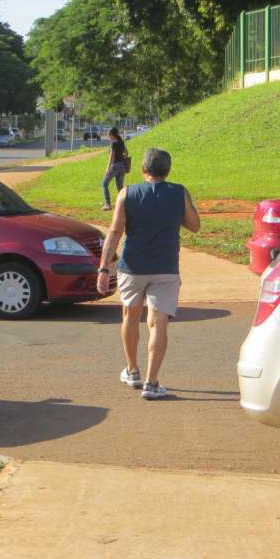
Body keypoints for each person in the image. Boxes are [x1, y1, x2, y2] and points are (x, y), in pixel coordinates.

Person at [96, 148, 201, 399]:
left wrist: (103, 267)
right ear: (168, 170)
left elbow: (114, 232)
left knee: (130, 316)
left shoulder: (126, 193)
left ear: (143, 170)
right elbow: (195, 225)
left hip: (132, 266)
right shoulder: (179, 193)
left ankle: (132, 371)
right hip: (165, 266)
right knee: (158, 322)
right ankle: (152, 383)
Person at [101, 127, 129, 211]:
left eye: (109, 134)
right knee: (120, 186)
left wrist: (108, 167)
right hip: (122, 166)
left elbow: (111, 156)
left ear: (112, 135)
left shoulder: (113, 143)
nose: (108, 136)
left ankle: (108, 204)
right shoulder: (121, 142)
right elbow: (126, 153)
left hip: (114, 166)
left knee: (104, 184)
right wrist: (122, 157)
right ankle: (125, 205)